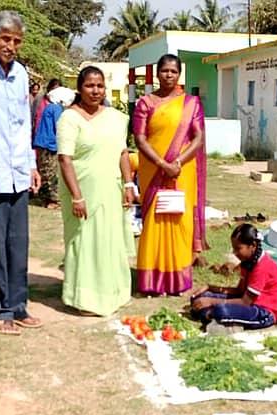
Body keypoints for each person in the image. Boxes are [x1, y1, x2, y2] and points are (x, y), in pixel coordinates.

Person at [0, 10, 43, 336]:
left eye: (16, 41)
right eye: (6, 39)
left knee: (18, 243)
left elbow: (23, 123)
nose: (11, 46)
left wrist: (31, 164)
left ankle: (18, 306)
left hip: (18, 170)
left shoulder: (21, 74)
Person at [56, 66, 135, 316]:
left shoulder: (115, 118)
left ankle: (115, 293)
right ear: (79, 88)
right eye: (90, 85)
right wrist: (77, 196)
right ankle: (85, 299)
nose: (95, 90)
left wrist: (128, 184)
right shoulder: (69, 118)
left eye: (100, 85)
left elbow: (122, 153)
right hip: (82, 192)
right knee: (86, 243)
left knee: (110, 239)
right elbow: (64, 159)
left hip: (110, 189)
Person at [133, 53, 208, 296]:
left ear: (179, 75)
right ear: (157, 73)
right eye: (165, 71)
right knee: (154, 221)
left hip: (182, 171)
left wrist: (176, 163)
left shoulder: (191, 103)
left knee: (179, 221)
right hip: (153, 169)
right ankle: (152, 281)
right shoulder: (145, 103)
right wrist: (162, 164)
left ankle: (177, 281)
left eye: (173, 71)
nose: (169, 75)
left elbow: (198, 137)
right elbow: (140, 138)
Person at [189, 224, 277, 332]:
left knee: (221, 310)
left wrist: (211, 301)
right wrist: (209, 288)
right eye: (234, 248)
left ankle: (210, 315)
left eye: (238, 248)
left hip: (264, 311)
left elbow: (245, 302)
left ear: (252, 245)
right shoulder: (247, 261)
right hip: (247, 302)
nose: (234, 253)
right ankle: (210, 316)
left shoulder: (263, 266)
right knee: (199, 297)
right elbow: (239, 291)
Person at [33, 85, 74, 207]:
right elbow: (60, 126)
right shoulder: (56, 109)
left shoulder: (49, 107)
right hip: (49, 145)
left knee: (45, 171)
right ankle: (52, 200)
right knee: (52, 173)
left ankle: (45, 198)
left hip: (43, 143)